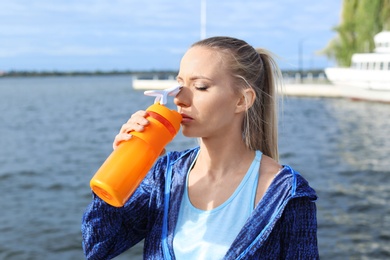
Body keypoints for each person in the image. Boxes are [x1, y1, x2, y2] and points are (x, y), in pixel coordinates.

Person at [81, 36, 319, 259]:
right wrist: (122, 164)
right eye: (180, 83)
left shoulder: (288, 194)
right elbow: (97, 246)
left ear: (242, 100)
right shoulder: (163, 175)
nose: (179, 99)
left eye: (201, 86)